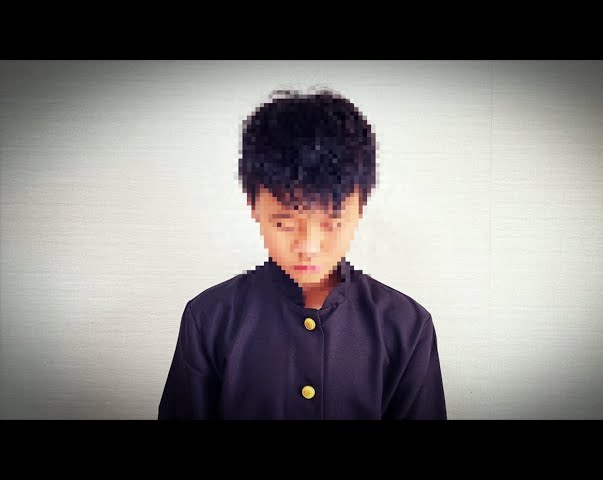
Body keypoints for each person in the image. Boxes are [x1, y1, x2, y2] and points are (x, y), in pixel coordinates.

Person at [158, 89, 446, 419]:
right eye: (284, 223)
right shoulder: (209, 319)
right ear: (253, 206)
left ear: (361, 208)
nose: (308, 246)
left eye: (331, 224)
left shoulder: (406, 326)